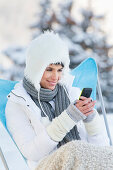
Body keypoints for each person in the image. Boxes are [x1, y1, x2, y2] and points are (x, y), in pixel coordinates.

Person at [5, 31, 109, 170]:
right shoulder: (18, 103)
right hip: (48, 165)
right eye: (49, 69)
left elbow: (101, 150)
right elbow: (31, 152)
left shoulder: (71, 92)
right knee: (74, 149)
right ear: (35, 68)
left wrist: (90, 119)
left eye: (60, 70)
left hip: (84, 163)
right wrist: (69, 117)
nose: (55, 77)